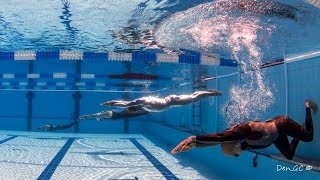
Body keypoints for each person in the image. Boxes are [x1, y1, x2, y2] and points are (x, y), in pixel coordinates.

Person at [171, 100, 317, 160]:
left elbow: (220, 137)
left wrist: (194, 139)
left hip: (281, 124)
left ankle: (307, 106)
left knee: (309, 137)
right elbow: (218, 143)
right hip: (277, 136)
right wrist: (197, 145)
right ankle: (299, 132)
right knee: (289, 155)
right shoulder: (243, 144)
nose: (237, 156)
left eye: (235, 155)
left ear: (233, 145)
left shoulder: (242, 131)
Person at [36, 105, 149, 131]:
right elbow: (97, 116)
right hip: (123, 112)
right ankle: (146, 108)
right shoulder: (106, 115)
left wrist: (85, 116)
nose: (100, 118)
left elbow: (94, 115)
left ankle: (147, 108)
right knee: (138, 111)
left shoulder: (104, 115)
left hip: (123, 113)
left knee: (138, 112)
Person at [101, 89, 222, 112]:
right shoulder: (141, 106)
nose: (135, 111)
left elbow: (125, 104)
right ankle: (206, 92)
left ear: (135, 107)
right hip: (170, 103)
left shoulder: (140, 101)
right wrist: (111, 104)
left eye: (133, 110)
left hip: (172, 100)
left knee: (193, 98)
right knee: (192, 98)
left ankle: (209, 93)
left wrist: (110, 103)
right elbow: (126, 105)